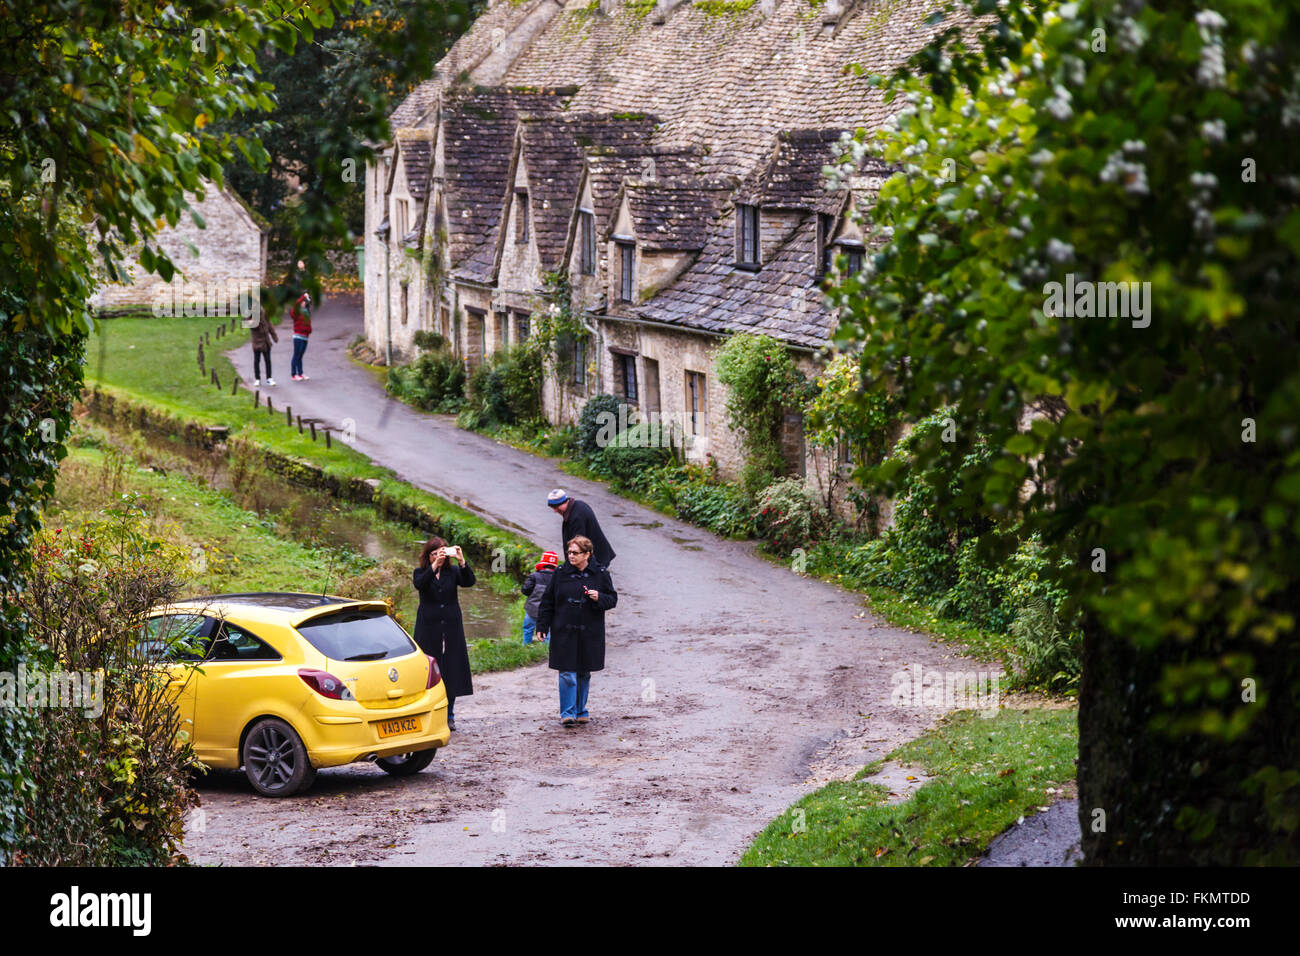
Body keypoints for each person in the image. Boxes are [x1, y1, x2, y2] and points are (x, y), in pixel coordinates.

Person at [535, 535, 617, 727]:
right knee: (567, 672)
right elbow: (548, 601)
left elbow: (612, 599)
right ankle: (567, 713)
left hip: (590, 631)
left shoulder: (600, 573)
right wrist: (542, 626)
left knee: (583, 672)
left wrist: (599, 597)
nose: (571, 556)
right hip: (564, 630)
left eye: (575, 553)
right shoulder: (560, 573)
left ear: (587, 554)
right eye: (569, 552)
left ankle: (581, 710)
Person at [411, 537, 474, 731]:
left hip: (451, 627)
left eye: (442, 552)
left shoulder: (453, 572)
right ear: (428, 555)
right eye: (434, 553)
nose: (439, 556)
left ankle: (449, 715)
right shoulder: (421, 572)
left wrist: (462, 561)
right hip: (429, 628)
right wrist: (434, 567)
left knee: (451, 670)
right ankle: (429, 713)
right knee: (430, 671)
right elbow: (420, 585)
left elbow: (469, 582)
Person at [546, 489, 616, 567]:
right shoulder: (578, 505)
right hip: (597, 557)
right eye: (552, 507)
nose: (555, 510)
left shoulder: (576, 517)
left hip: (594, 560)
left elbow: (578, 545)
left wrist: (570, 568)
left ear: (565, 501)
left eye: (557, 506)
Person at [520, 550, 558, 645]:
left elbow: (525, 590)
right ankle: (546, 649)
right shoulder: (557, 578)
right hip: (549, 611)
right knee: (547, 631)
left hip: (532, 609)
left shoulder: (534, 576)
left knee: (528, 628)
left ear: (542, 563)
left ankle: (526, 645)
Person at [249, 310, 279, 387]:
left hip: (265, 342)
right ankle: (257, 379)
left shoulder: (264, 313)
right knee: (256, 361)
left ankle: (269, 378)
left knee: (268, 360)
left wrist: (274, 336)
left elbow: (269, 325)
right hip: (256, 342)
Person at [289, 291, 312, 381]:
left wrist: (309, 331)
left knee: (300, 356)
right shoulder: (296, 312)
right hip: (298, 336)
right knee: (296, 355)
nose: (304, 303)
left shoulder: (306, 312)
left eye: (305, 302)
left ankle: (301, 373)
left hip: (305, 337)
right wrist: (303, 296)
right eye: (303, 302)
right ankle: (294, 374)